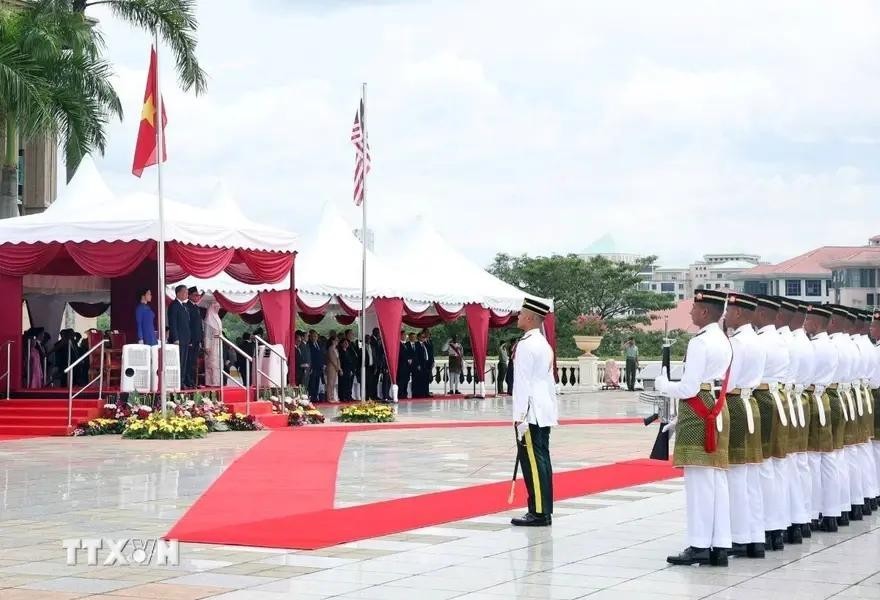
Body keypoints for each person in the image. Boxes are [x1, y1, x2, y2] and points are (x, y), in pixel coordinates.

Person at [657, 288, 732, 567]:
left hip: (699, 408)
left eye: (693, 308)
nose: (690, 313)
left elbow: (689, 387)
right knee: (717, 481)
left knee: (700, 483)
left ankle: (700, 544)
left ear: (704, 312)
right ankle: (720, 545)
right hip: (715, 406)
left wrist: (663, 385)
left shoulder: (700, 342)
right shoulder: (724, 340)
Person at [722, 292, 767, 559]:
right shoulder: (758, 341)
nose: (725, 315)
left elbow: (727, 381)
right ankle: (755, 537)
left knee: (737, 476)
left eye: (728, 310)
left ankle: (739, 537)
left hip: (737, 405)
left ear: (738, 313)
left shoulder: (736, 343)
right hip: (752, 405)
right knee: (751, 477)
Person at [510, 298, 558, 527]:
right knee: (542, 459)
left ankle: (538, 512)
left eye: (520, 314)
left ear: (530, 318)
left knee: (533, 461)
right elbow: (549, 382)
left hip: (530, 411)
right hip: (543, 408)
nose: (517, 317)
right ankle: (543, 509)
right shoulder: (544, 345)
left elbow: (522, 383)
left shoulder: (526, 345)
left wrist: (519, 416)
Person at [804, 303, 840, 531]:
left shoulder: (815, 347)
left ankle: (816, 511)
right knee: (827, 459)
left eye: (808, 319)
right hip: (824, 398)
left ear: (816, 322)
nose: (805, 323)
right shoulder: (832, 345)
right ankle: (831, 511)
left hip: (813, 400)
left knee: (813, 461)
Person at [167, 285, 191, 386]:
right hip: (178, 339)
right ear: (178, 293)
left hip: (185, 339)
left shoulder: (184, 306)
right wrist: (176, 338)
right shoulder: (174, 305)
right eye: (185, 292)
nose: (187, 294)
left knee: (184, 362)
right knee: (179, 362)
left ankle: (182, 380)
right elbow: (173, 323)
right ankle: (178, 382)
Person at [185, 287, 204, 388]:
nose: (198, 297)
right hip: (191, 339)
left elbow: (199, 325)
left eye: (199, 295)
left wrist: (201, 339)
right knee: (189, 361)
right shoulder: (187, 307)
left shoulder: (196, 308)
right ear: (190, 295)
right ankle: (188, 380)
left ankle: (193, 382)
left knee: (194, 362)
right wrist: (190, 339)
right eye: (196, 295)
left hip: (197, 339)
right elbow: (188, 325)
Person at [203, 301, 222, 387]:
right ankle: (211, 382)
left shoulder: (217, 317)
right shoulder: (209, 319)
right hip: (212, 344)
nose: (218, 308)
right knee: (212, 363)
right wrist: (207, 346)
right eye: (216, 307)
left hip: (218, 343)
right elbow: (207, 334)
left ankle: (217, 381)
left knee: (218, 363)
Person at [325, 336, 341, 403]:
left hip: (335, 367)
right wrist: (336, 366)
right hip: (331, 367)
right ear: (332, 341)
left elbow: (338, 359)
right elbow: (331, 359)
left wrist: (339, 367)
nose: (337, 342)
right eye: (336, 340)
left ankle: (332, 396)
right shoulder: (330, 348)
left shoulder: (336, 349)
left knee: (334, 383)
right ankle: (329, 397)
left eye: (337, 340)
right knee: (330, 383)